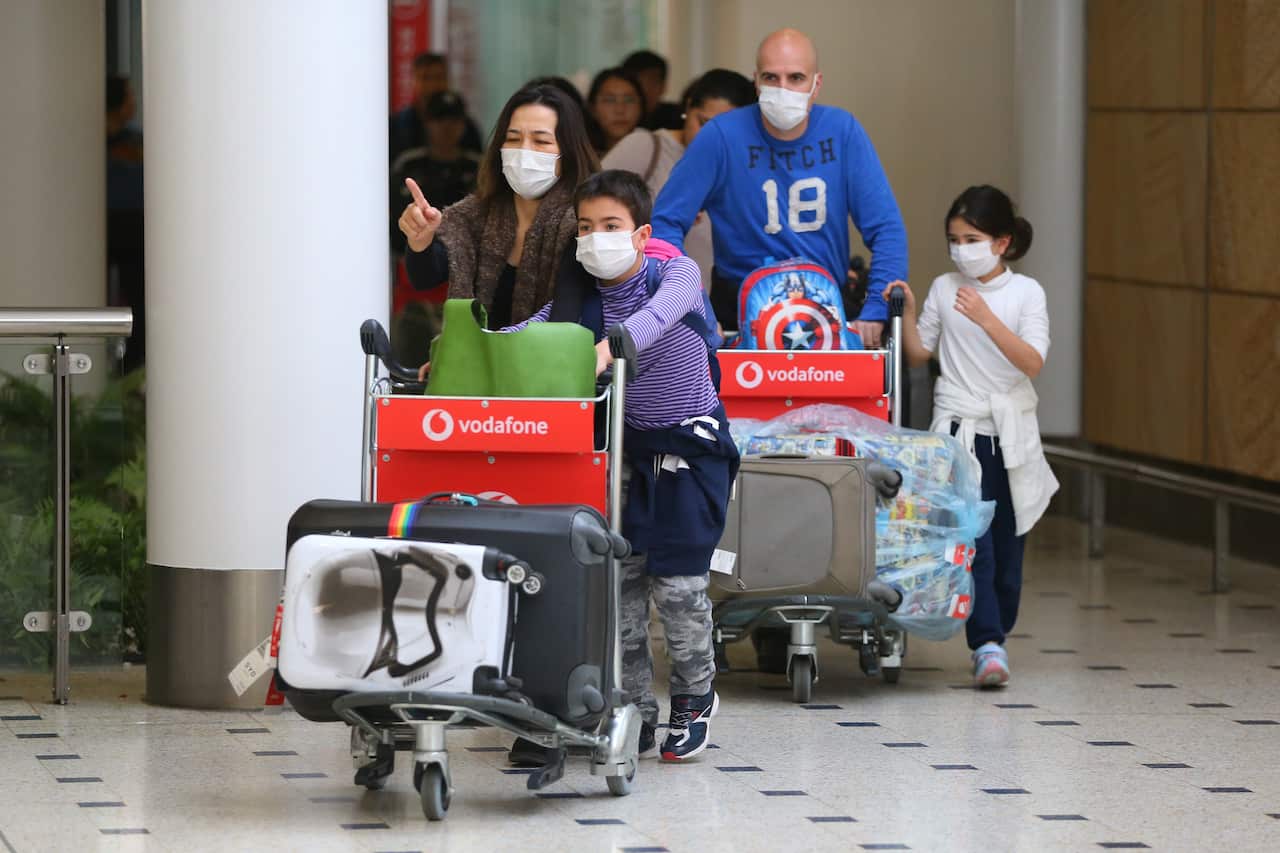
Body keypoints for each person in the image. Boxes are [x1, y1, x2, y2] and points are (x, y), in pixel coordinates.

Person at [503, 169, 737, 761]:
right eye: (585, 228)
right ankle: (634, 710)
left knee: (680, 589)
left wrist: (607, 348)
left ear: (641, 234)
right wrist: (469, 349)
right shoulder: (583, 295)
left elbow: (653, 323)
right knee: (623, 591)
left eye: (611, 226)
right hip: (624, 457)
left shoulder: (676, 273)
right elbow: (536, 333)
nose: (596, 238)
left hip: (691, 453)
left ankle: (694, 696)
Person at [889, 185, 1059, 688]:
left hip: (1007, 434)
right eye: (954, 239)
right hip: (958, 434)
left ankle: (997, 629)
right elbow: (923, 354)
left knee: (1008, 543)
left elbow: (1032, 361)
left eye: (972, 238)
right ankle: (986, 642)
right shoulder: (945, 286)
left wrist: (986, 319)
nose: (962, 249)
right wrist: (911, 311)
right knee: (973, 540)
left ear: (1002, 242)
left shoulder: (1026, 294)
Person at [652, 28, 907, 347]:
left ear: (817, 84)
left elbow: (886, 229)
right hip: (736, 311)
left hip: (827, 305)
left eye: (796, 78)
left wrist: (876, 310)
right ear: (755, 81)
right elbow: (665, 223)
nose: (783, 89)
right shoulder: (720, 136)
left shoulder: (844, 132)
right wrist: (695, 306)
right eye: (771, 78)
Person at [397, 84, 600, 334]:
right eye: (514, 138)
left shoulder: (585, 223)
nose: (524, 151)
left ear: (568, 151)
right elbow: (425, 278)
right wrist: (421, 240)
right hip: (480, 367)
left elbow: (564, 315)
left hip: (549, 366)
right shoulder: (472, 216)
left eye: (541, 141)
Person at [603, 69, 756, 290]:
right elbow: (587, 209)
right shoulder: (646, 146)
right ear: (688, 106)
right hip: (645, 300)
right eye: (703, 123)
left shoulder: (742, 166)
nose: (712, 138)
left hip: (712, 305)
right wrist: (665, 213)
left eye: (727, 130)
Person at [390, 91, 482, 254]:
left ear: (463, 125)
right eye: (439, 119)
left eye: (453, 120)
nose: (446, 126)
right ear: (427, 123)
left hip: (465, 259)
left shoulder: (478, 168)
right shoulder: (407, 165)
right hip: (410, 257)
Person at [389, 53, 483, 163]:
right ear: (413, 81)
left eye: (438, 77)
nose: (432, 84)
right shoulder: (396, 126)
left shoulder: (467, 126)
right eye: (425, 78)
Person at [585, 67, 647, 157]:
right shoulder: (580, 159)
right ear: (592, 108)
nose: (620, 110)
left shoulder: (659, 155)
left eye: (629, 100)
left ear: (641, 106)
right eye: (609, 100)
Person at [621, 49, 683, 131]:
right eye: (638, 83)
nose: (644, 90)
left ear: (664, 86)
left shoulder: (678, 118)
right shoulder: (618, 117)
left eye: (652, 82)